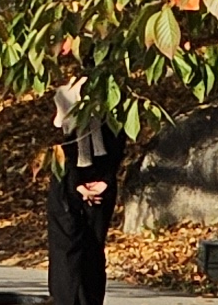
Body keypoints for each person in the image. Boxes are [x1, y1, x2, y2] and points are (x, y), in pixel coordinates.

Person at [46, 83, 131, 305]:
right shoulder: (66, 94)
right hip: (69, 183)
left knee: (90, 250)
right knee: (68, 252)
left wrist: (106, 180)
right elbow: (62, 148)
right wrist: (78, 185)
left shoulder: (113, 95)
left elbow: (118, 141)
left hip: (97, 183)